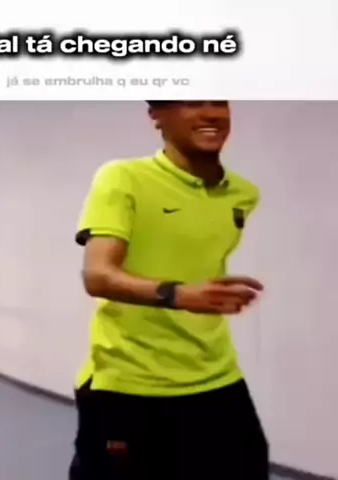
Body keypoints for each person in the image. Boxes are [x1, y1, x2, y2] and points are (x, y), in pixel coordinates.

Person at [69, 100, 269, 480]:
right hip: (128, 384)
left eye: (219, 102)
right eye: (192, 103)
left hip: (217, 377)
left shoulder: (243, 194)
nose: (211, 114)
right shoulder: (122, 177)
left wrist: (212, 294)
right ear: (156, 116)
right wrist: (180, 295)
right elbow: (98, 275)